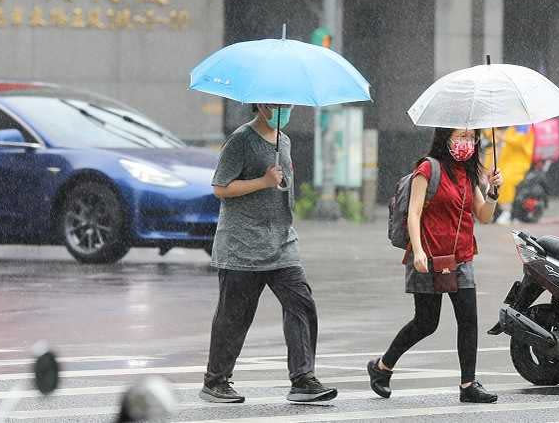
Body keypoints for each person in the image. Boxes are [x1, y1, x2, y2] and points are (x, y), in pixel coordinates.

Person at [200, 103, 337, 404]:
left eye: (287, 104)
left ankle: (303, 380)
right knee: (234, 316)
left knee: (301, 303)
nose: (283, 109)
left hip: (281, 242)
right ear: (261, 105)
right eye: (277, 104)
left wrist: (279, 183)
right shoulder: (240, 140)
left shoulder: (283, 140)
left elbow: (281, 184)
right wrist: (262, 181)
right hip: (242, 245)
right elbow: (220, 188)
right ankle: (216, 381)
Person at [367, 128, 503, 403]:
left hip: (461, 257)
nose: (466, 143)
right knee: (426, 323)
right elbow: (414, 212)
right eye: (460, 136)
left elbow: (484, 216)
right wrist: (417, 251)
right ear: (445, 138)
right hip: (428, 257)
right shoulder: (429, 168)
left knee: (468, 321)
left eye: (470, 137)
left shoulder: (469, 173)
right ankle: (382, 367)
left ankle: (468, 385)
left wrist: (492, 193)